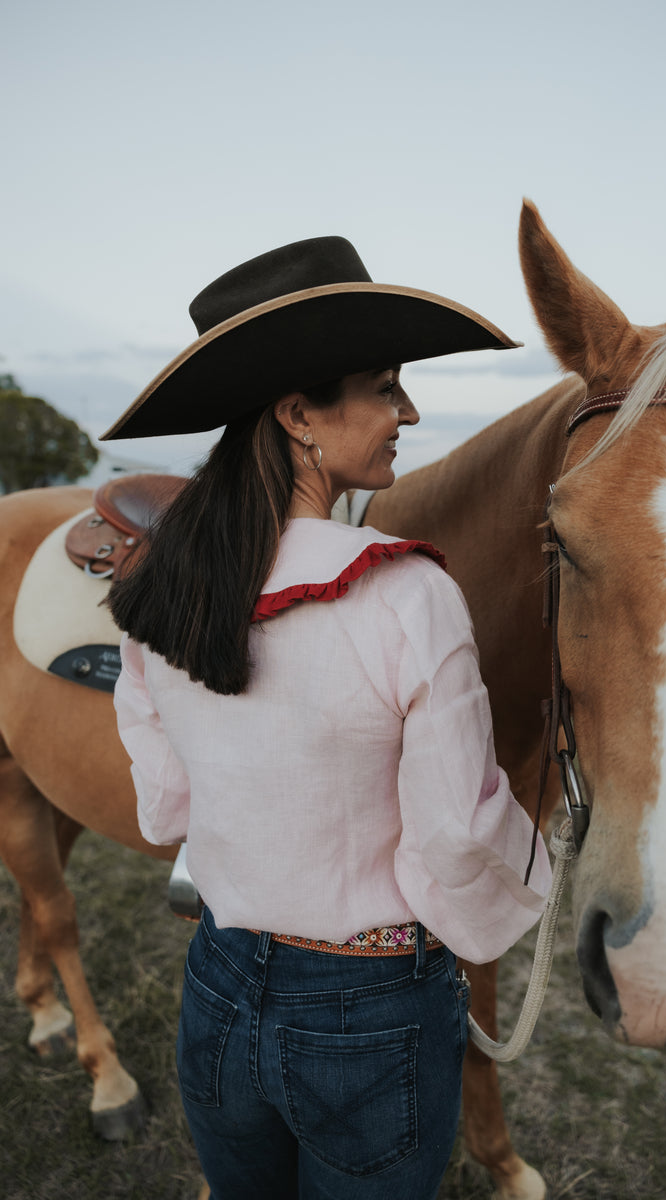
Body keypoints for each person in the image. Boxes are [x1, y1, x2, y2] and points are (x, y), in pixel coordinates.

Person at [103, 235, 552, 1200]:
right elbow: (462, 839)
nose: (410, 412)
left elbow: (164, 809)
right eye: (386, 386)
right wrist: (532, 875)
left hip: (218, 984)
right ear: (299, 414)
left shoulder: (163, 589)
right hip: (371, 1010)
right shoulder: (407, 595)